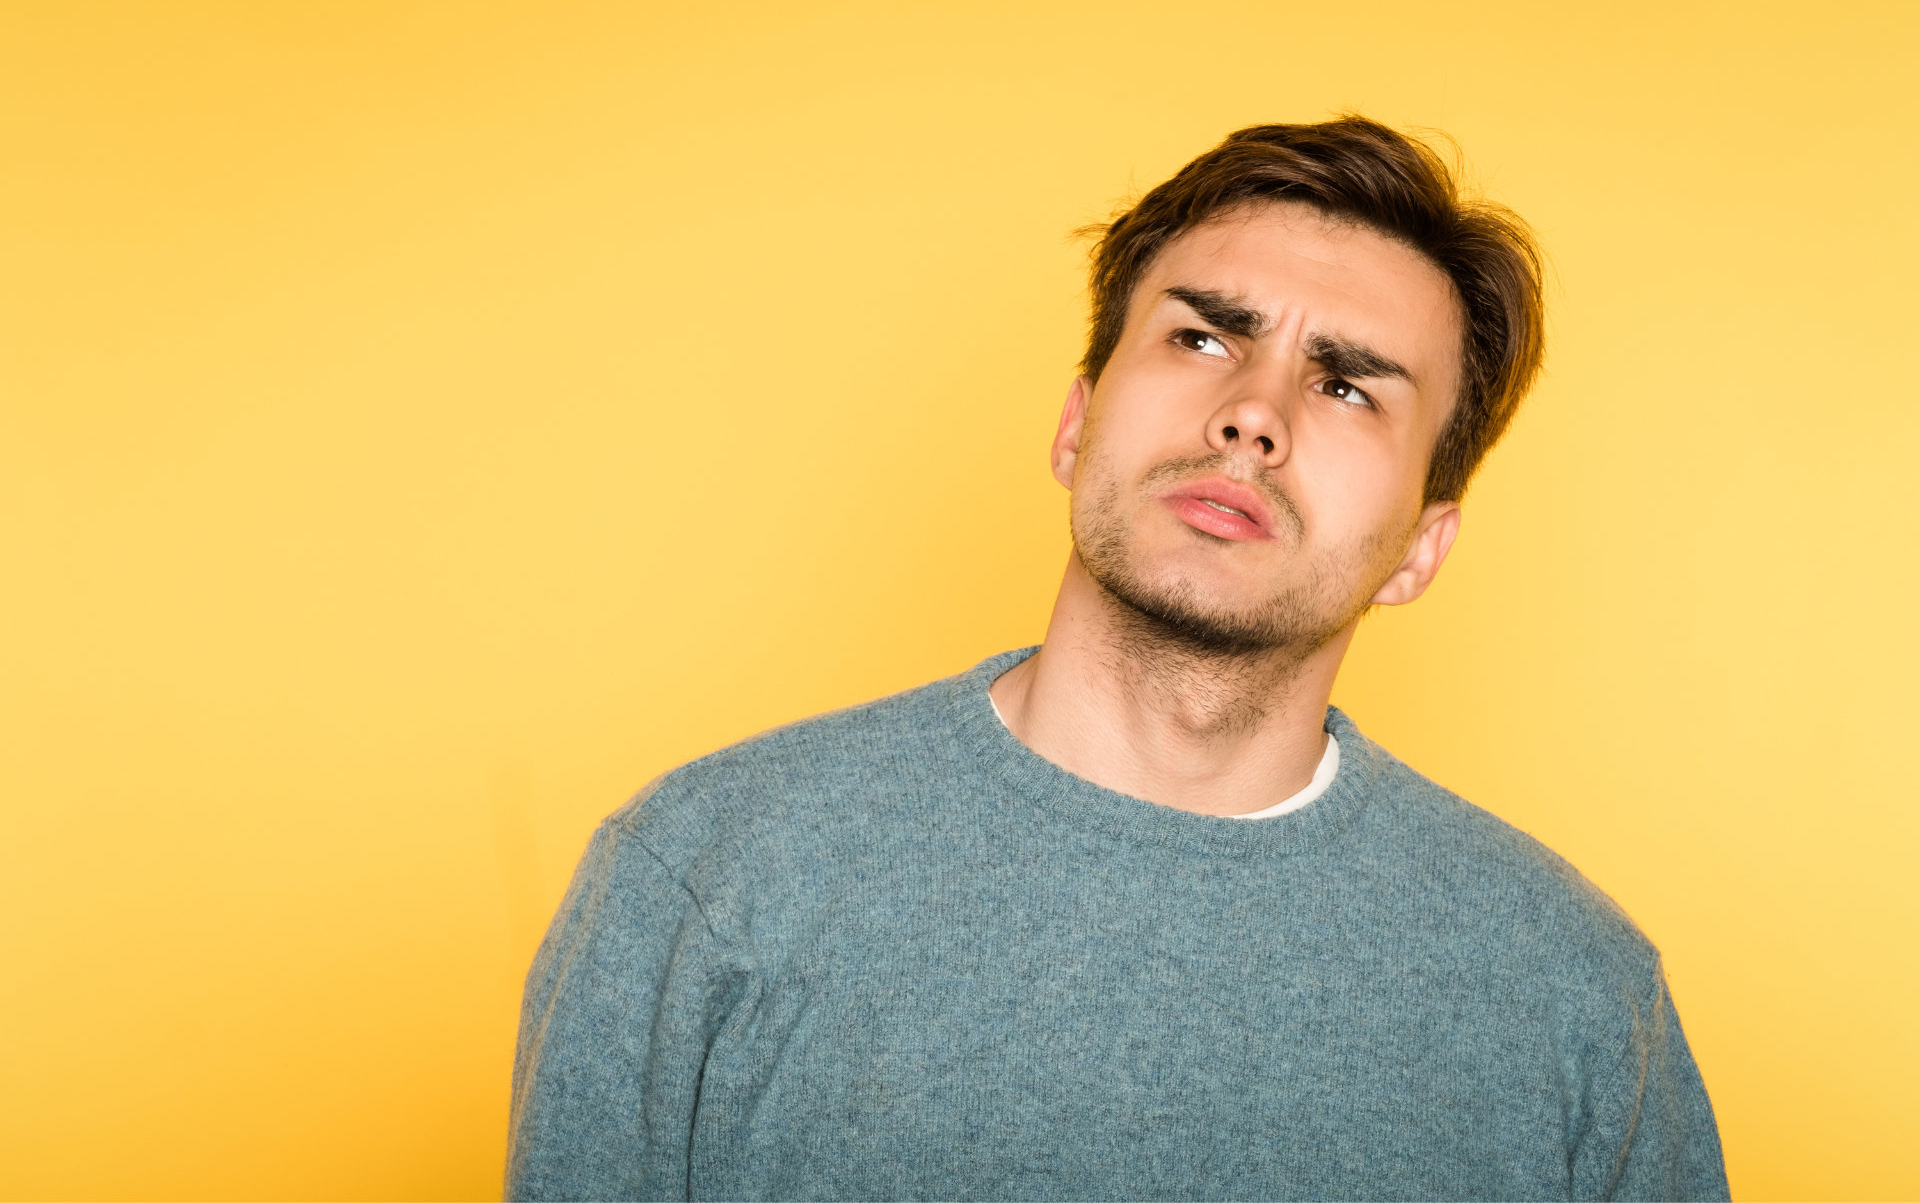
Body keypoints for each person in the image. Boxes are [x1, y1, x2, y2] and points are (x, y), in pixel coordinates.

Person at [506, 117, 1729, 1202]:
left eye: (1348, 384)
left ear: (1421, 545)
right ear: (1078, 421)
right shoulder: (708, 879)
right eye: (1204, 340)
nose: (1254, 414)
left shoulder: (1573, 996)